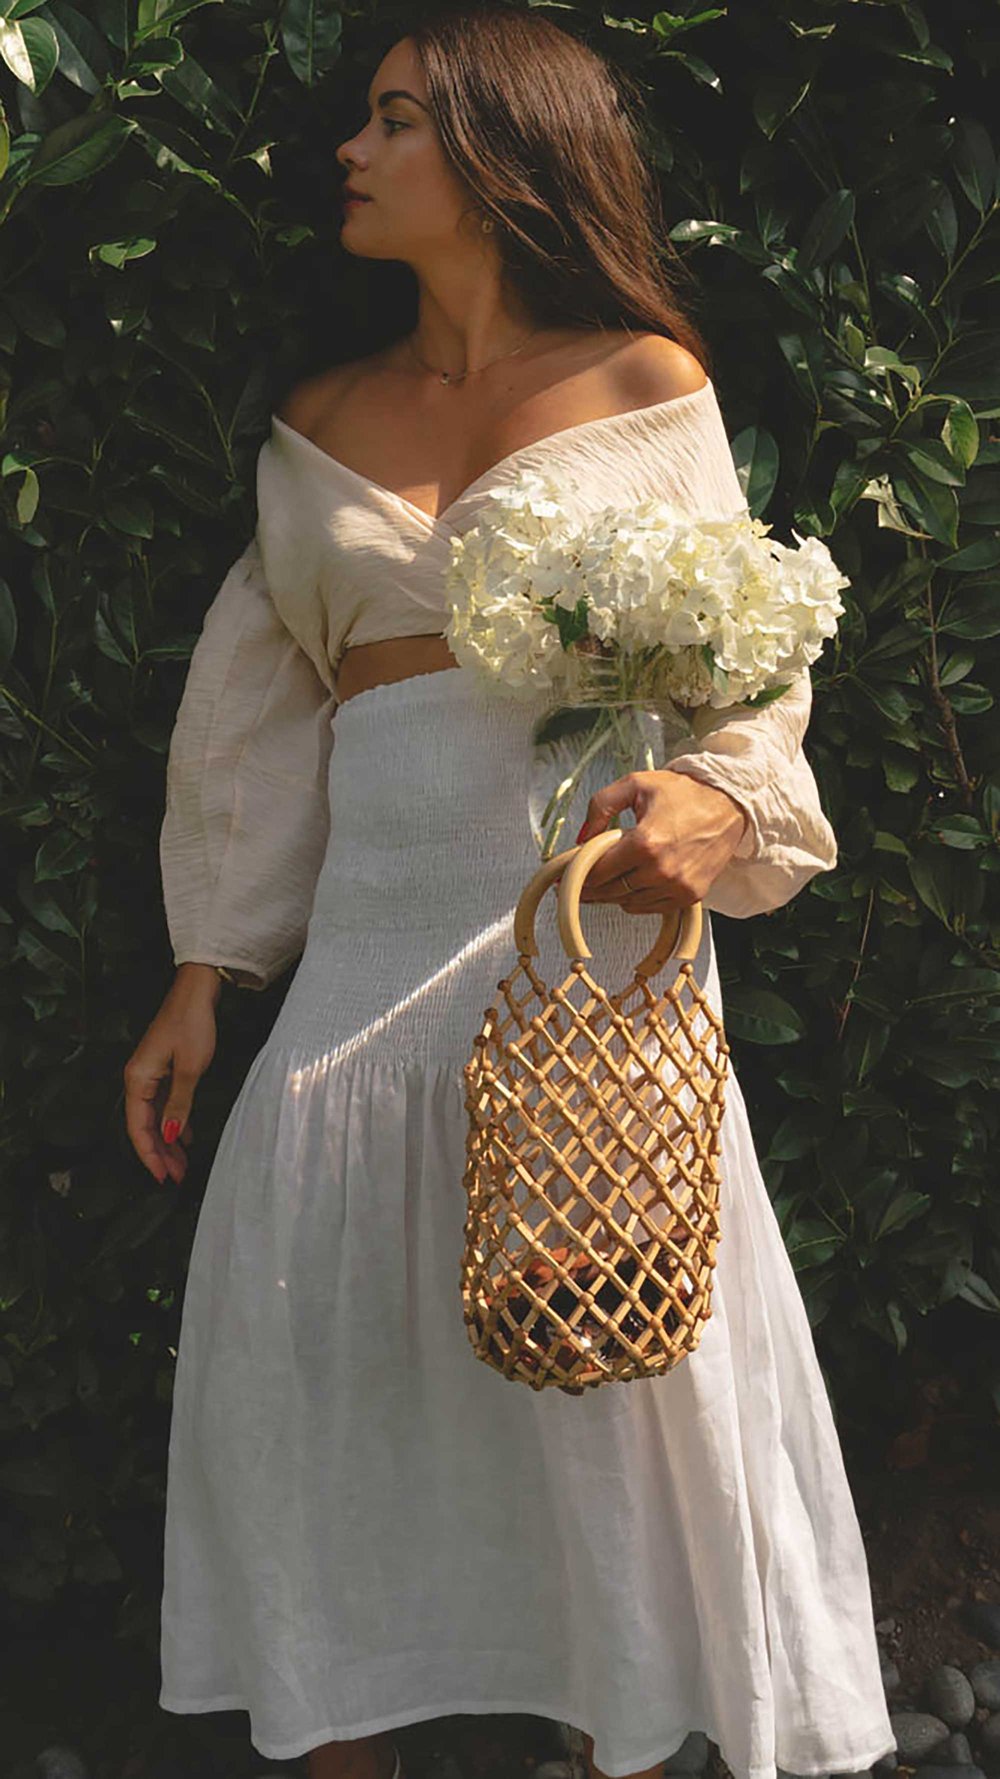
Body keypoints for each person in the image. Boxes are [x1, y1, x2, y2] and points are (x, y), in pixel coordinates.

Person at [123, 10, 897, 1779]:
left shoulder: (643, 380)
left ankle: (610, 1729)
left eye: (394, 121)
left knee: (612, 1396)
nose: (352, 150)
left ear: (494, 150)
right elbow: (249, 716)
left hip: (588, 945)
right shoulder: (320, 423)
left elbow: (751, 665)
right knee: (313, 1367)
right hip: (367, 960)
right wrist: (202, 970)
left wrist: (717, 804)